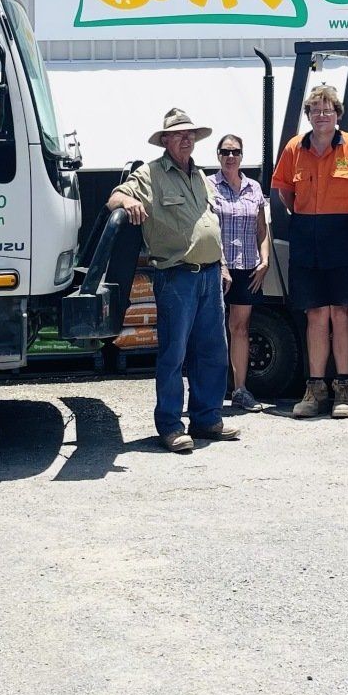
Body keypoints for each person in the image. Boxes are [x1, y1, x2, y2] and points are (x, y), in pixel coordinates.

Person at [107, 108, 242, 454]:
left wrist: (223, 265)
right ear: (165, 140)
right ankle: (169, 425)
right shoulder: (150, 174)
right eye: (179, 134)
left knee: (213, 351)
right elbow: (114, 198)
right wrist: (130, 202)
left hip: (210, 276)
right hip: (176, 277)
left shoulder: (200, 177)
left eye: (191, 134)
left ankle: (207, 419)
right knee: (174, 355)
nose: (187, 138)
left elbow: (208, 225)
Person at [271, 84, 348, 420]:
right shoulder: (293, 148)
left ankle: (344, 390)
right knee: (315, 315)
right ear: (308, 115)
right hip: (306, 236)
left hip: (344, 235)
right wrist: (306, 219)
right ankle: (315, 389)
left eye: (327, 110)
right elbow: (285, 192)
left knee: (341, 314)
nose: (321, 116)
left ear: (337, 115)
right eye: (315, 110)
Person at [209, 133, 271, 412]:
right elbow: (207, 229)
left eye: (235, 152)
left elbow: (261, 228)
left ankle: (240, 389)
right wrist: (221, 265)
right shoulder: (208, 186)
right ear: (218, 155)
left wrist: (265, 260)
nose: (230, 157)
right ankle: (209, 390)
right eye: (225, 152)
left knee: (241, 328)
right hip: (216, 265)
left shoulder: (254, 188)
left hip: (247, 266)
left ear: (242, 156)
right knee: (210, 330)